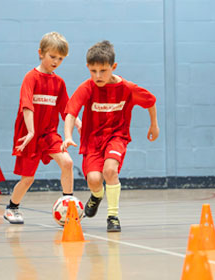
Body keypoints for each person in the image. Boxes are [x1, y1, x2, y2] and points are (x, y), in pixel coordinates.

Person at [61, 41, 159, 232]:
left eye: (103, 70)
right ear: (88, 67)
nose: (98, 76)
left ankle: (113, 216)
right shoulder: (87, 87)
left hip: (117, 137)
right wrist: (67, 135)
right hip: (92, 141)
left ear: (113, 67)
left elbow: (150, 101)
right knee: (95, 180)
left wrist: (154, 125)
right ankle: (97, 196)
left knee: (110, 171)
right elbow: (71, 113)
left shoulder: (127, 88)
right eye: (93, 71)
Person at [4, 31, 81, 224]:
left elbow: (67, 109)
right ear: (41, 53)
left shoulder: (59, 82)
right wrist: (30, 131)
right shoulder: (31, 77)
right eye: (52, 56)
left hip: (48, 134)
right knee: (28, 179)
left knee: (68, 163)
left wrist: (79, 123)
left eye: (60, 59)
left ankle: (69, 205)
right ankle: (12, 208)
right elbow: (26, 106)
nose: (56, 61)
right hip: (28, 135)